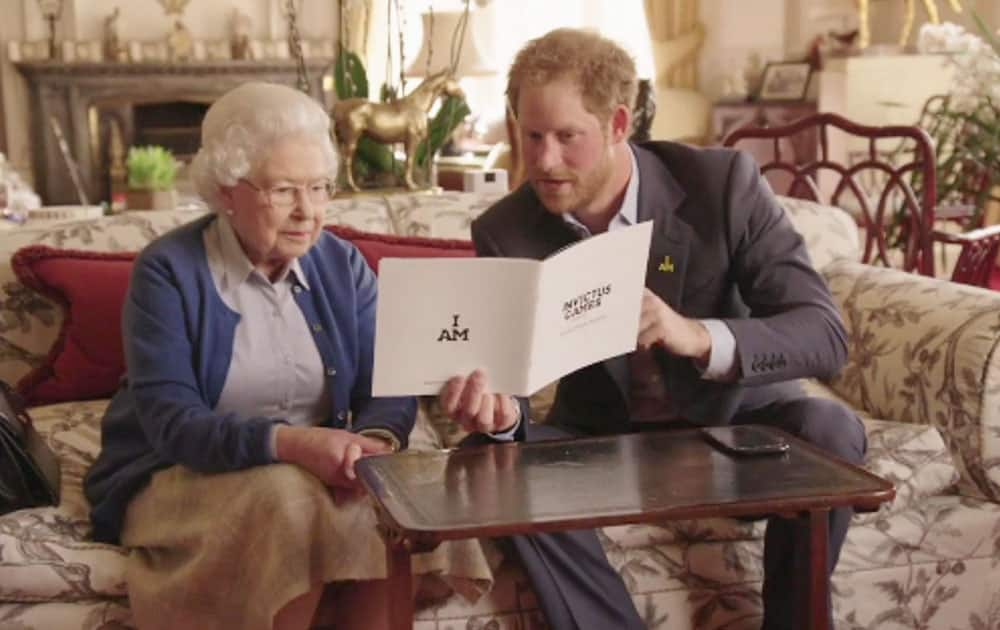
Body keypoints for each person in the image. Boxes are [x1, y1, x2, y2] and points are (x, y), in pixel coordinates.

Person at [439, 28, 867, 630]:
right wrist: (499, 414)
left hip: (733, 426)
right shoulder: (506, 229)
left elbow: (824, 333)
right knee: (486, 459)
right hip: (601, 440)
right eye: (531, 136)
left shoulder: (721, 186)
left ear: (618, 124)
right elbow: (505, 380)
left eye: (567, 138)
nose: (543, 160)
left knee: (831, 426)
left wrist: (699, 335)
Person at [84, 82, 493, 630]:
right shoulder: (168, 272)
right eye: (283, 191)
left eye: (320, 188)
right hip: (183, 471)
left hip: (318, 467)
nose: (308, 212)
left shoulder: (341, 264)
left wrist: (370, 447)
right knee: (290, 498)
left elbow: (387, 380)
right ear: (227, 190)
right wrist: (293, 444)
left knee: (384, 497)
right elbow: (172, 423)